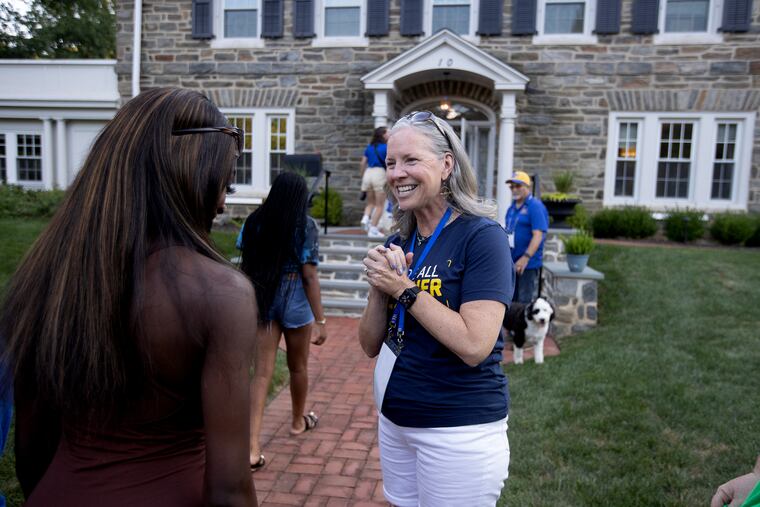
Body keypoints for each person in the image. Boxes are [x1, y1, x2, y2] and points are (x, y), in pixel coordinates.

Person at [0, 88, 257, 506]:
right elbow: (229, 489)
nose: (223, 203)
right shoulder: (220, 294)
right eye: (222, 185)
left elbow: (31, 449)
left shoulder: (46, 276)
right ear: (190, 177)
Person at [358, 111, 514, 506]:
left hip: (457, 430)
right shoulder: (402, 239)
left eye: (411, 160)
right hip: (396, 423)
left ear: (446, 165)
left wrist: (404, 288)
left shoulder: (482, 238)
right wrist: (381, 289)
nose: (396, 174)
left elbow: (475, 344)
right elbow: (369, 343)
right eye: (391, 163)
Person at [239, 172, 328, 472]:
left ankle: (252, 448)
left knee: (261, 374)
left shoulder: (254, 222)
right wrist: (321, 319)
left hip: (262, 295)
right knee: (298, 366)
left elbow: (246, 262)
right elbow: (309, 275)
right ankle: (296, 423)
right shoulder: (306, 225)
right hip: (295, 296)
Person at [504, 170, 548, 304]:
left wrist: (525, 258)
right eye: (512, 186)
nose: (514, 189)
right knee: (511, 301)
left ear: (527, 187)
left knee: (524, 303)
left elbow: (538, 235)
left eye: (518, 186)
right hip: (512, 262)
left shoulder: (535, 207)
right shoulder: (512, 208)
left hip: (527, 264)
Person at [360, 126, 389, 238]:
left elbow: (362, 163)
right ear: (382, 135)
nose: (390, 134)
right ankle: (373, 229)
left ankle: (365, 218)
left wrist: (363, 176)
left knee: (370, 203)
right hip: (379, 173)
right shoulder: (386, 147)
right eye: (388, 132)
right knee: (380, 205)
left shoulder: (369, 147)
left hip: (368, 173)